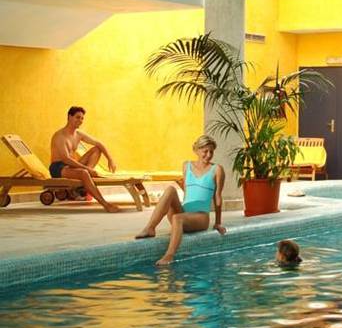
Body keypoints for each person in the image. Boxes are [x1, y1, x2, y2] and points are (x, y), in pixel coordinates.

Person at [135, 134, 227, 266]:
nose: (208, 155)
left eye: (211, 151)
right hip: (185, 212)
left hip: (201, 217)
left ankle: (169, 255)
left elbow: (217, 197)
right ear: (196, 150)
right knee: (170, 190)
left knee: (177, 218)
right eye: (205, 151)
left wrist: (218, 223)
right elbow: (188, 192)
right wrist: (179, 207)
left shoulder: (217, 170)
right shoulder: (186, 166)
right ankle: (150, 228)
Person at [49, 106, 120, 213]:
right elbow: (66, 159)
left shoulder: (78, 134)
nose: (80, 120)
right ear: (69, 117)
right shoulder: (60, 136)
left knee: (96, 149)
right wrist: (87, 169)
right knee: (84, 173)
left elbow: (99, 143)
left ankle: (87, 179)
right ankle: (106, 205)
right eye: (78, 117)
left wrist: (110, 159)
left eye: (82, 118)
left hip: (71, 165)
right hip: (58, 167)